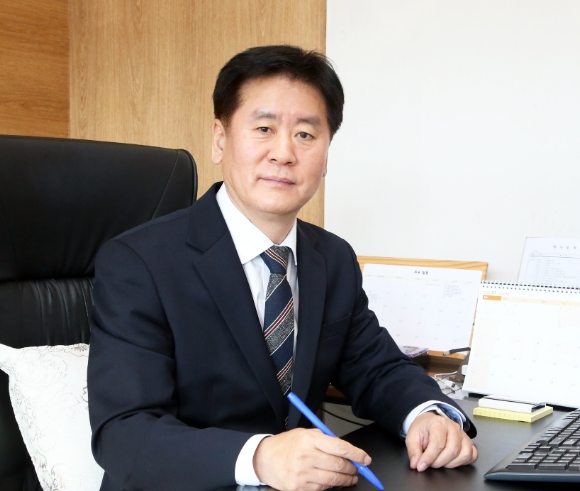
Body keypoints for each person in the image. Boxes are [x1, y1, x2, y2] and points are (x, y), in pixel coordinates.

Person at [88, 45, 477, 491]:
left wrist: (427, 414)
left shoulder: (332, 258)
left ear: (326, 154)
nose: (284, 153)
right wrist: (259, 457)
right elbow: (124, 433)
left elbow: (376, 368)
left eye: (306, 135)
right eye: (264, 128)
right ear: (220, 139)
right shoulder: (139, 262)